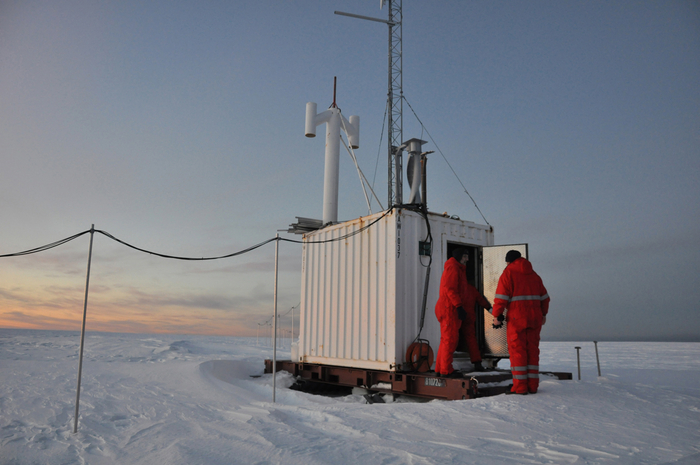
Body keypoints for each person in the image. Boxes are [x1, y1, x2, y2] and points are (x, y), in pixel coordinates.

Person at [492, 250, 550, 394]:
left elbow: (501, 297)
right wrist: (543, 314)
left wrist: (496, 315)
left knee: (518, 351)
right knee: (532, 351)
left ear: (509, 261)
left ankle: (520, 387)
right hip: (535, 318)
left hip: (517, 319)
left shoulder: (508, 273)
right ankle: (532, 386)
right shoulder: (534, 275)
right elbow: (545, 298)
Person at [434, 248, 492, 377]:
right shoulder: (453, 268)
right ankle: (446, 370)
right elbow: (450, 289)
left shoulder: (457, 270)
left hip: (450, 309)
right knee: (450, 340)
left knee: (446, 340)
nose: (467, 259)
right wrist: (459, 306)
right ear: (459, 256)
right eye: (465, 256)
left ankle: (440, 369)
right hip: (450, 309)